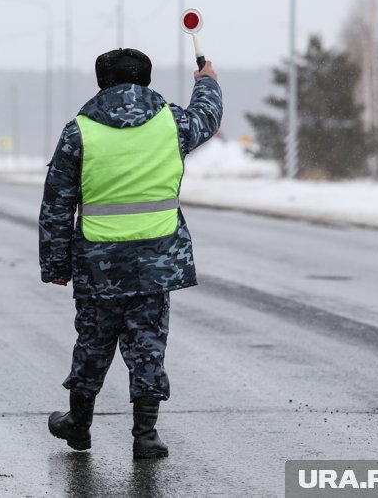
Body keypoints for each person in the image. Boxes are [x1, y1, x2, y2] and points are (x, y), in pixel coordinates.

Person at [38, 48, 222, 459]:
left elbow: (56, 205)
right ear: (147, 79)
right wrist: (205, 79)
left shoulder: (79, 132)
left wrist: (55, 264)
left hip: (98, 265)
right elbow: (207, 116)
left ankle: (79, 426)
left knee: (92, 345)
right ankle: (145, 435)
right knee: (148, 346)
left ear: (102, 82)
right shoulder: (171, 124)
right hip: (155, 263)